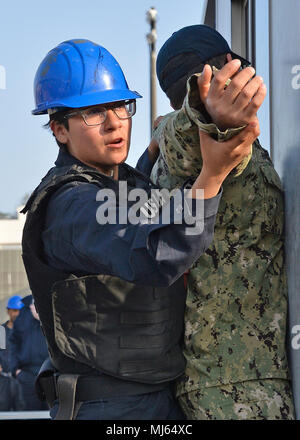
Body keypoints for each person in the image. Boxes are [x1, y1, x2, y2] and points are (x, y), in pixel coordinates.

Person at [21, 39, 258, 420]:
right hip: (107, 407)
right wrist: (211, 175)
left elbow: (142, 206)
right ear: (59, 129)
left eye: (120, 106)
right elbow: (156, 251)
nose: (115, 122)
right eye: (93, 112)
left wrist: (156, 152)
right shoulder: (70, 205)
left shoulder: (120, 184)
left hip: (153, 400)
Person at [150, 24, 295, 420]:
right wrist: (208, 111)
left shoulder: (213, 139)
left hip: (233, 379)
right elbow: (191, 139)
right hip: (238, 390)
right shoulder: (210, 139)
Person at [9, 295, 48, 411]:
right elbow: (12, 343)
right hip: (26, 375)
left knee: (52, 411)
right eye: (12, 310)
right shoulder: (4, 328)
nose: (13, 313)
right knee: (29, 410)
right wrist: (15, 370)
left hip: (49, 373)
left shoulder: (51, 311)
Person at [0, 295, 24, 411]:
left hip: (21, 379)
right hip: (3, 380)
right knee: (3, 410)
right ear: (8, 311)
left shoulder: (25, 331)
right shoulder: (2, 331)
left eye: (20, 311)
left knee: (22, 410)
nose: (17, 314)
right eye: (14, 310)